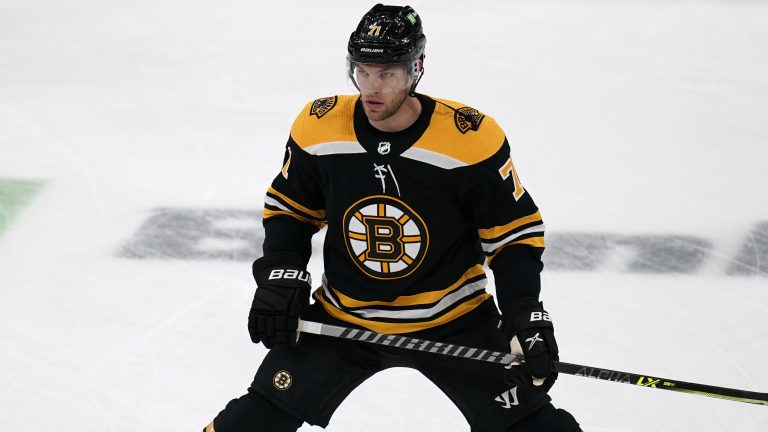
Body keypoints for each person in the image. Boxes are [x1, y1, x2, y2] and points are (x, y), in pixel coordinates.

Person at [204, 4, 581, 431]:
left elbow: (513, 236)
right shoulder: (320, 127)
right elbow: (291, 210)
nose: (371, 88)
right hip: (344, 320)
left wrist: (523, 310)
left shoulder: (469, 139)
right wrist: (280, 276)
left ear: (416, 69)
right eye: (362, 71)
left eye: (386, 74)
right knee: (248, 423)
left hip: (454, 321)